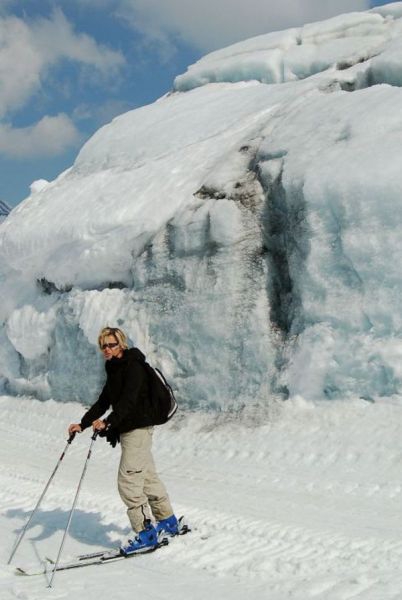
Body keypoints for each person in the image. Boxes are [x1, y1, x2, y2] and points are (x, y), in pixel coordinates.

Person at [68, 326, 179, 555]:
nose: (107, 349)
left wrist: (108, 423)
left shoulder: (133, 367)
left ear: (121, 344)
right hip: (130, 429)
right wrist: (83, 423)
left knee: (128, 481)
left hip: (138, 428)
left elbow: (128, 402)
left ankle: (146, 533)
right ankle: (168, 521)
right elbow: (104, 401)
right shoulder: (114, 367)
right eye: (104, 346)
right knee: (147, 477)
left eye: (112, 344)